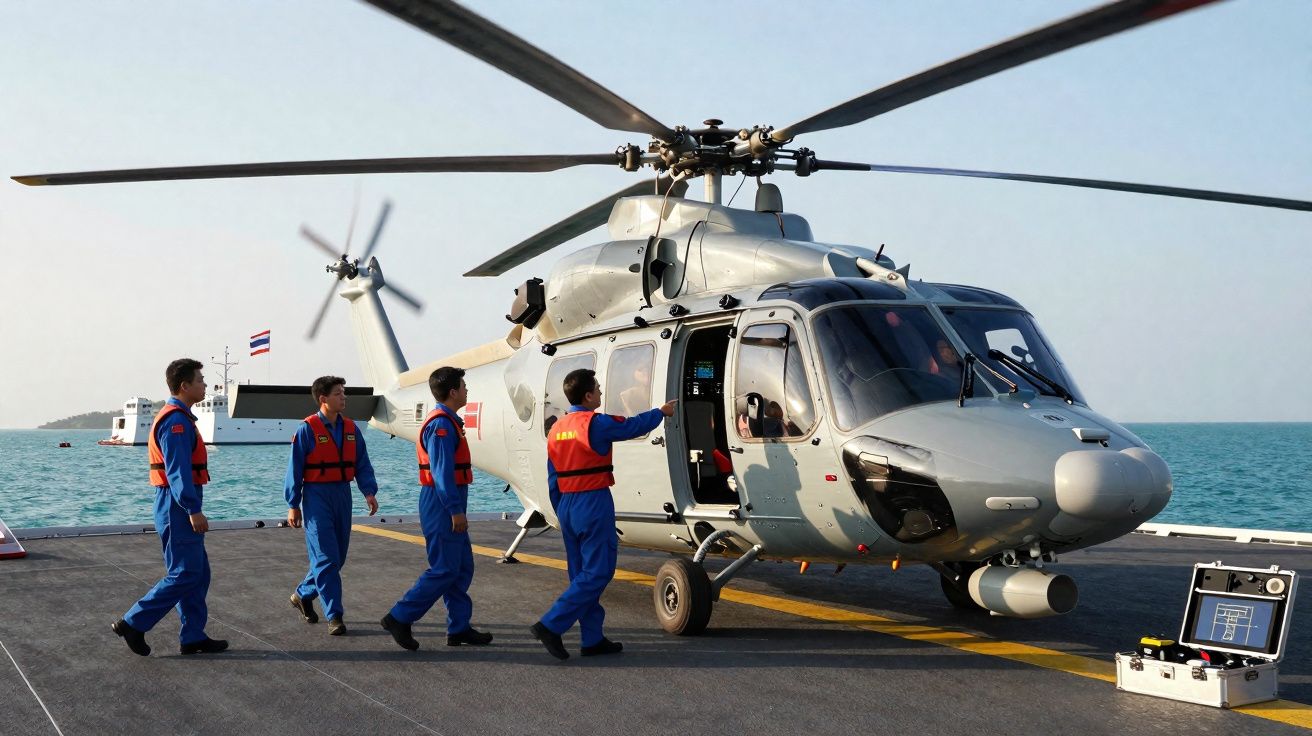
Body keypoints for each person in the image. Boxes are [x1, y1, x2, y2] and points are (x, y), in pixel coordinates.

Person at [530, 368, 676, 660]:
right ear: (587, 396)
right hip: (592, 502)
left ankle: (592, 638)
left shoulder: (557, 428)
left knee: (581, 575)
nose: (600, 392)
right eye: (596, 389)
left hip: (567, 504)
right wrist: (661, 412)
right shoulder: (594, 423)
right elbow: (632, 426)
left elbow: (552, 475)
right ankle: (551, 624)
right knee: (598, 571)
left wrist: (560, 510)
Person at [112, 358, 228, 656]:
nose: (204, 384)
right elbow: (177, 472)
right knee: (185, 573)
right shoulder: (176, 422)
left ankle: (192, 636)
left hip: (178, 501)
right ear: (184, 386)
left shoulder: (182, 418)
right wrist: (193, 509)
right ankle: (133, 622)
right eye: (200, 380)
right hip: (176, 504)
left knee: (198, 572)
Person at [381, 367, 493, 651]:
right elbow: (442, 474)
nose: (467, 390)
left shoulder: (448, 422)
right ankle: (399, 616)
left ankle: (458, 627)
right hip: (442, 502)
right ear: (453, 392)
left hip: (447, 500)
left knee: (462, 567)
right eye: (464, 386)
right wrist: (455, 510)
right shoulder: (442, 426)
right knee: (444, 569)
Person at [285, 376, 379, 636]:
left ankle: (303, 594)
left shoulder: (351, 428)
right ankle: (334, 616)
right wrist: (293, 504)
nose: (343, 397)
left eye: (343, 393)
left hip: (342, 494)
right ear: (323, 399)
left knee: (337, 558)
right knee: (327, 558)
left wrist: (368, 492)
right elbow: (294, 469)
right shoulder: (307, 429)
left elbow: (362, 462)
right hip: (316, 497)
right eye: (338, 393)